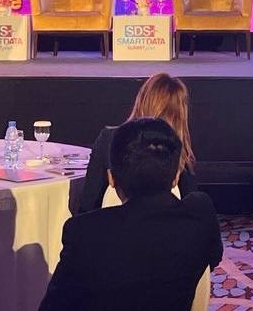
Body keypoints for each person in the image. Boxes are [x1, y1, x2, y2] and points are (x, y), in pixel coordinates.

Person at [40, 118, 223, 311]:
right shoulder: (200, 217)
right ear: (176, 177)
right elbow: (212, 258)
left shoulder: (85, 232)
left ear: (111, 178)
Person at [78, 73, 197, 213]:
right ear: (181, 113)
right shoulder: (177, 149)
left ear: (141, 100)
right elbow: (192, 211)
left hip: (114, 225)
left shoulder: (110, 138)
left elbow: (88, 204)